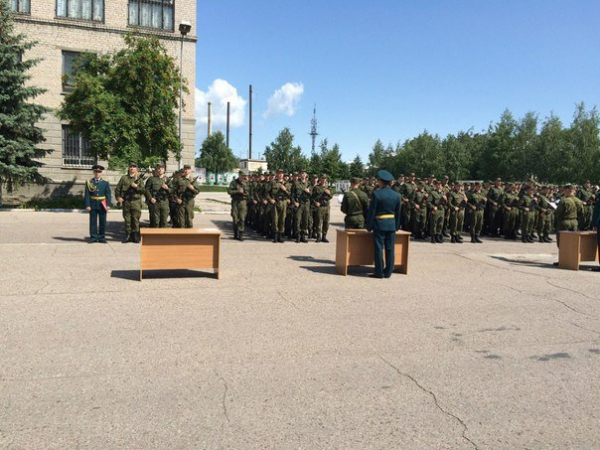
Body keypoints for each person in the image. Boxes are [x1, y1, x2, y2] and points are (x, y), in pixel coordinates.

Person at [366, 170, 402, 279]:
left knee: (379, 248)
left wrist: (369, 225)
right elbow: (398, 213)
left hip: (379, 224)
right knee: (390, 249)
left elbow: (372, 211)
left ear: (381, 182)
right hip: (391, 224)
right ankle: (388, 272)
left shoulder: (376, 194)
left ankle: (379, 272)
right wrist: (397, 226)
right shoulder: (397, 195)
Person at [115, 163, 145, 243]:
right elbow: (118, 189)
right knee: (127, 219)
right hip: (126, 202)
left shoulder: (139, 179)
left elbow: (143, 190)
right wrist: (119, 198)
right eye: (131, 166)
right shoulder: (124, 178)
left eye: (134, 167)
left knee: (135, 219)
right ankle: (128, 235)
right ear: (128, 168)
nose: (132, 168)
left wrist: (136, 187)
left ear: (136, 169)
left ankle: (135, 235)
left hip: (136, 202)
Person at [84, 164, 111, 243]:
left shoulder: (105, 183)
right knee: (93, 221)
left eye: (99, 172)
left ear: (101, 173)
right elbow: (87, 195)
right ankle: (93, 237)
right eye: (96, 171)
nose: (97, 173)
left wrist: (108, 204)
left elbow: (108, 194)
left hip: (102, 204)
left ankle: (102, 237)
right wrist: (87, 205)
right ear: (93, 172)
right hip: (93, 204)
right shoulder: (89, 182)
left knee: (102, 221)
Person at [175, 164, 199, 228]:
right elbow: (174, 191)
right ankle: (182, 234)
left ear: (190, 170)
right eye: (185, 169)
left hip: (189, 201)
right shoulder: (180, 180)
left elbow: (197, 191)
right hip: (181, 201)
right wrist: (176, 198)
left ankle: (190, 234)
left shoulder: (193, 180)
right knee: (181, 219)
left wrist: (192, 188)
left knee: (189, 219)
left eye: (188, 169)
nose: (186, 170)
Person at [311, 174, 333, 242]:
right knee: (318, 222)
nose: (324, 180)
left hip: (327, 207)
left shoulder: (328, 187)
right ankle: (318, 236)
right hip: (320, 207)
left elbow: (331, 196)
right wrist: (315, 203)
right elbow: (312, 197)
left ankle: (324, 236)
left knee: (326, 222)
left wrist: (329, 193)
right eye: (322, 178)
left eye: (325, 178)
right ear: (320, 179)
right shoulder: (317, 187)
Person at [228, 170, 248, 241]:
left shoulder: (246, 183)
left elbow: (249, 193)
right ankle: (235, 234)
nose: (243, 177)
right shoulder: (233, 183)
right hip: (235, 202)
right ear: (239, 175)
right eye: (242, 176)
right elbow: (229, 191)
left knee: (242, 218)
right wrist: (237, 191)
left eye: (244, 176)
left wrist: (244, 193)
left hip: (243, 202)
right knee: (235, 218)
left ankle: (240, 235)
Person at [292, 170, 312, 242]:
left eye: (304, 173)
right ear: (300, 175)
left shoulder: (309, 184)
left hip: (306, 204)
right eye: (302, 173)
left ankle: (303, 236)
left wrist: (308, 192)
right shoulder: (296, 183)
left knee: (305, 220)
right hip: (299, 204)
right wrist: (294, 202)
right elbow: (292, 195)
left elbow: (311, 195)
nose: (303, 175)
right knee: (297, 219)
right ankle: (298, 235)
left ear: (306, 174)